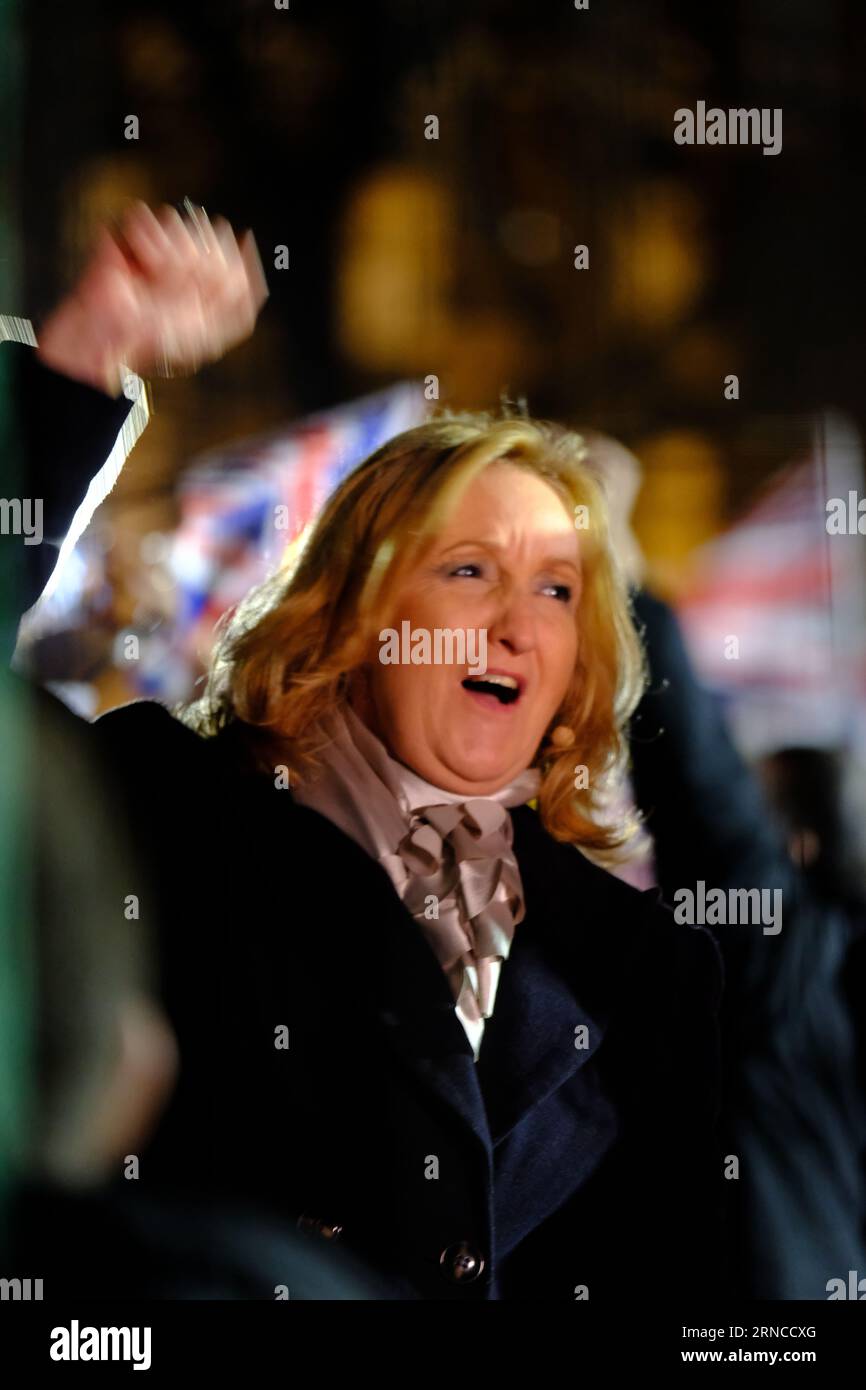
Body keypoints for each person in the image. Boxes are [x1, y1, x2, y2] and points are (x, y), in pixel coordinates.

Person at [3, 201, 723, 1301]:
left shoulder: (636, 956)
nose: (516, 623)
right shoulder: (157, 808)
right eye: (470, 570)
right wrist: (79, 365)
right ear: (353, 615)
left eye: (556, 589)